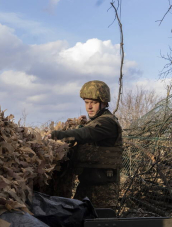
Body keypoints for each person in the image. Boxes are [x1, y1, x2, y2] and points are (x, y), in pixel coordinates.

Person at [50, 80, 123, 210]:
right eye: (86, 102)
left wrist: (56, 135)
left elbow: (86, 133)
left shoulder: (108, 123)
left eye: (94, 103)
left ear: (104, 103)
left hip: (103, 190)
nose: (89, 107)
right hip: (87, 185)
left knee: (100, 223)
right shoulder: (95, 121)